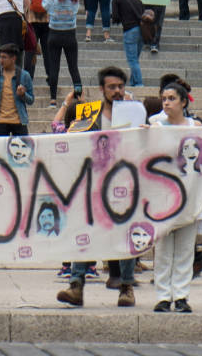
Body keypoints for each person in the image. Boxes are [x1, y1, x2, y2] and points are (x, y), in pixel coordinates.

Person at [55, 66, 138, 308]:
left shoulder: (134, 112)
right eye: (112, 87)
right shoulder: (89, 113)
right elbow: (76, 141)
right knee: (84, 231)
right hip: (94, 181)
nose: (117, 91)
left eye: (120, 86)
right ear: (102, 90)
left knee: (125, 235)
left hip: (124, 182)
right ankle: (76, 284)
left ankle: (126, 286)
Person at [151, 83, 202, 313]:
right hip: (163, 196)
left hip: (189, 195)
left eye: (171, 98)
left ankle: (180, 295)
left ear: (183, 102)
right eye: (164, 98)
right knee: (163, 250)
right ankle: (162, 295)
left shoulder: (195, 126)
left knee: (185, 249)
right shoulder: (155, 125)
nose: (167, 102)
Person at [41, 0, 82, 106]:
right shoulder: (75, 2)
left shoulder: (53, 1)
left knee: (54, 67)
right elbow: (75, 10)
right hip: (70, 34)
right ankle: (79, 95)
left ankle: (53, 99)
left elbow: (44, 5)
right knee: (73, 67)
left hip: (54, 34)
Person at [21, 0, 58, 78]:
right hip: (48, 18)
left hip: (31, 19)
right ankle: (50, 76)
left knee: (30, 49)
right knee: (48, 51)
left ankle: (28, 77)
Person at [0, 44, 34, 135]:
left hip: (19, 120)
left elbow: (31, 100)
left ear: (13, 59)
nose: (1, 60)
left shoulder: (24, 75)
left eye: (4, 57)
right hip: (0, 120)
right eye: (0, 57)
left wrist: (23, 94)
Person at [111, 0, 149, 87]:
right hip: (141, 31)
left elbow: (115, 18)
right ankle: (133, 82)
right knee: (135, 59)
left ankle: (139, 83)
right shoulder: (138, 0)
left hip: (129, 30)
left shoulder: (117, 0)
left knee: (132, 60)